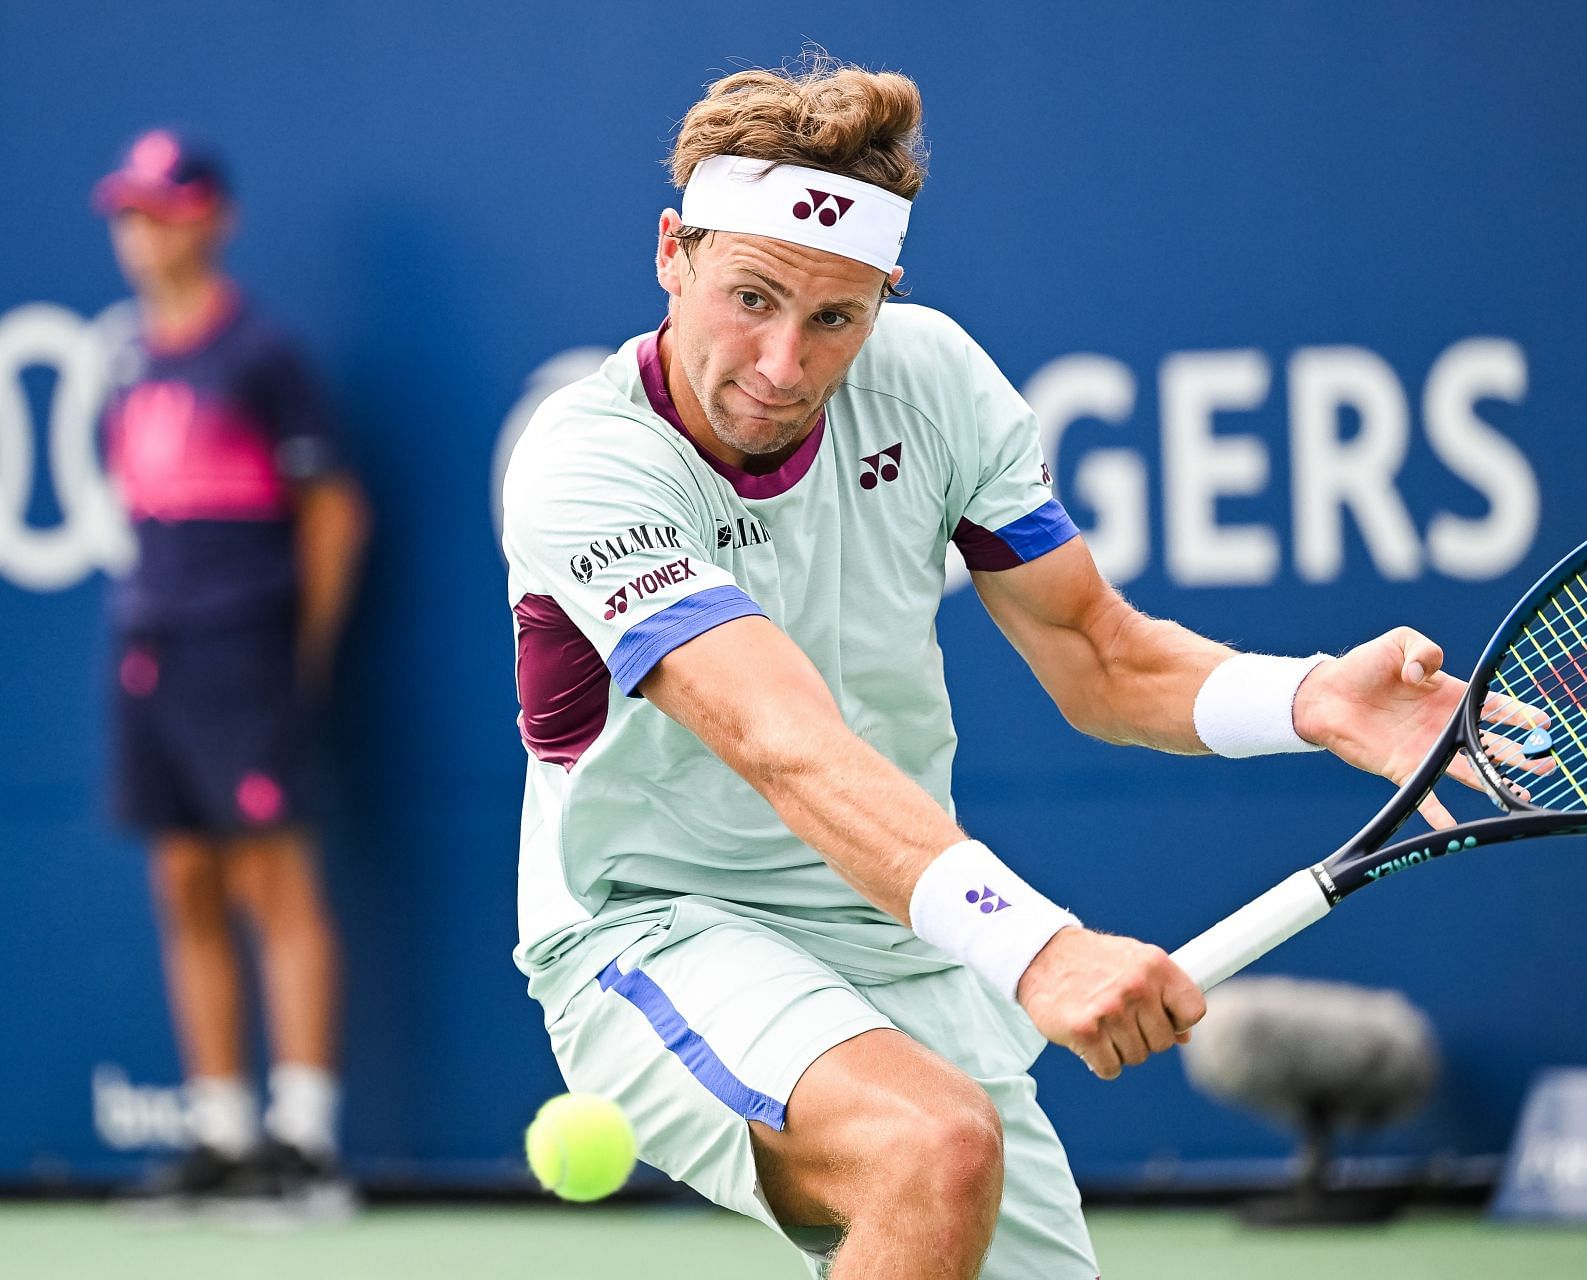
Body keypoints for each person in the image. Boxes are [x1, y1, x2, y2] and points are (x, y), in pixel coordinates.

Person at [504, 59, 1487, 1278]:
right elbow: (780, 742)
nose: (782, 362)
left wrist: (1307, 696)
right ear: (673, 252)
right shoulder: (587, 462)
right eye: (750, 296)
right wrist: (1036, 946)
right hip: (659, 920)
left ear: (885, 298)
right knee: (934, 1146)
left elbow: (1098, 652)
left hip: (901, 931)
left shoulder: (932, 379)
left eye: (835, 318)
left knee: (954, 1163)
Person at [94, 128, 369, 1208]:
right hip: (149, 643)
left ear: (212, 219)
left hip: (243, 648)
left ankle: (301, 1138)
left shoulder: (262, 352)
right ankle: (219, 1128)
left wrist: (295, 648)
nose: (141, 232)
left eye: (162, 209)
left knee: (271, 876)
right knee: (184, 878)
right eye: (128, 211)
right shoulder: (131, 355)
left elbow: (335, 512)